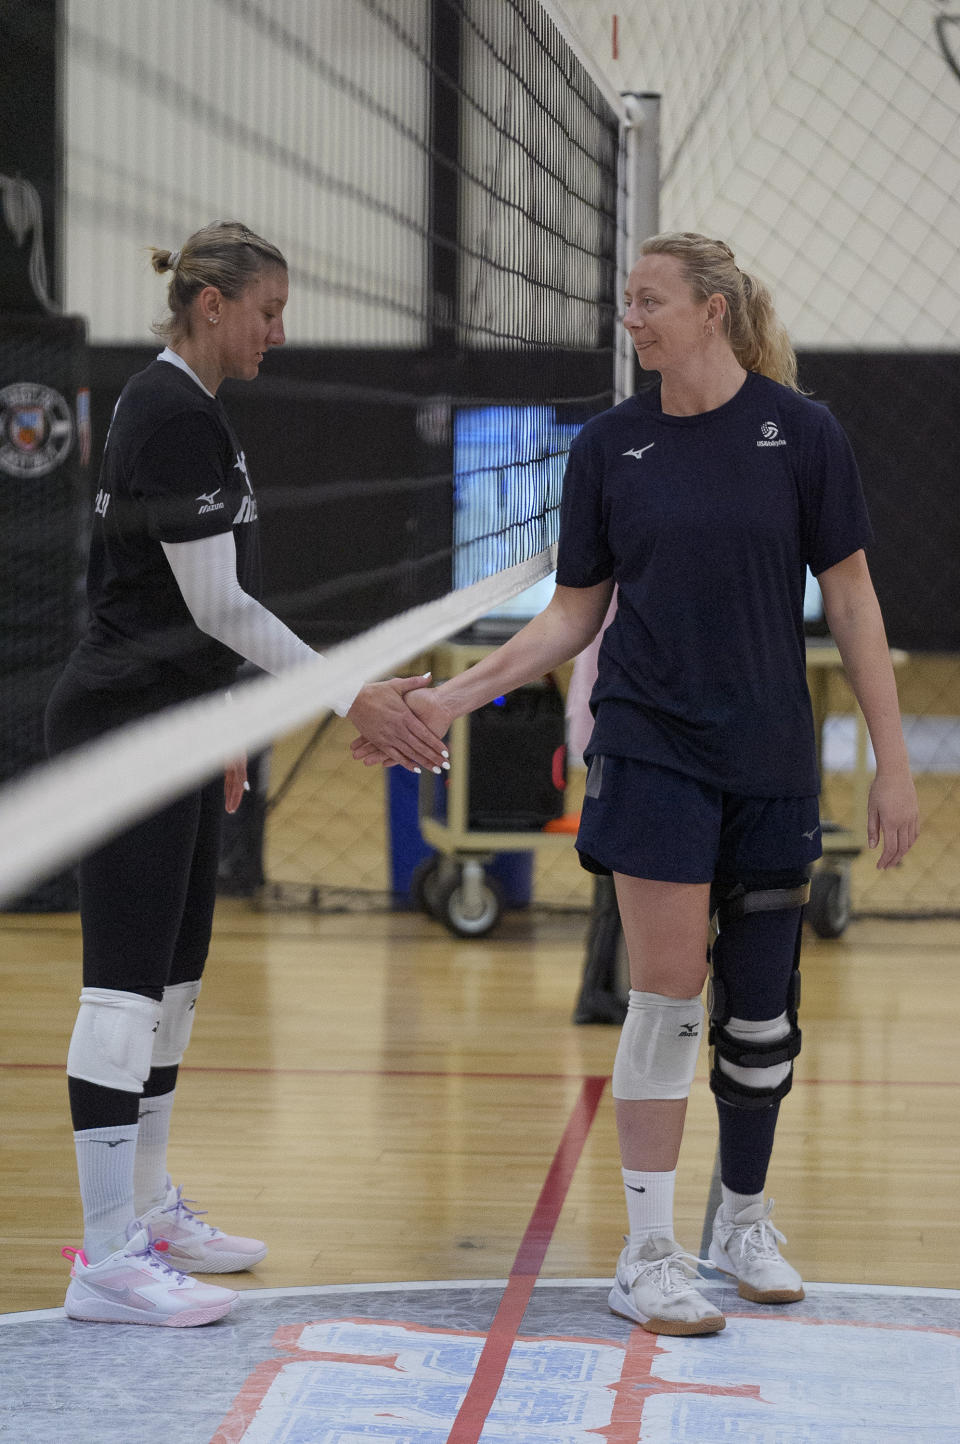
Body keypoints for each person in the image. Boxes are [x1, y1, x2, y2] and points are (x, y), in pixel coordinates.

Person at [352, 231, 920, 1336]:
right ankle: (647, 1251)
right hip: (652, 746)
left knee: (761, 1019)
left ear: (712, 311)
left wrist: (891, 766)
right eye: (630, 302)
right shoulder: (613, 447)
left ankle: (741, 1220)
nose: (633, 318)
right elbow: (574, 613)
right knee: (666, 998)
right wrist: (453, 701)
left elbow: (853, 600)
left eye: (650, 300)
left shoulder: (801, 434)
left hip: (768, 753)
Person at [45, 220, 448, 1327]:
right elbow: (220, 603)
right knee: (123, 989)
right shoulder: (168, 410)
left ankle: (147, 1208)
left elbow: (190, 605)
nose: (281, 331)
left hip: (175, 718)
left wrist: (225, 718)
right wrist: (350, 691)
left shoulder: (193, 414)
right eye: (268, 310)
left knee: (173, 985)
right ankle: (106, 1260)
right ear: (211, 304)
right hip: (125, 728)